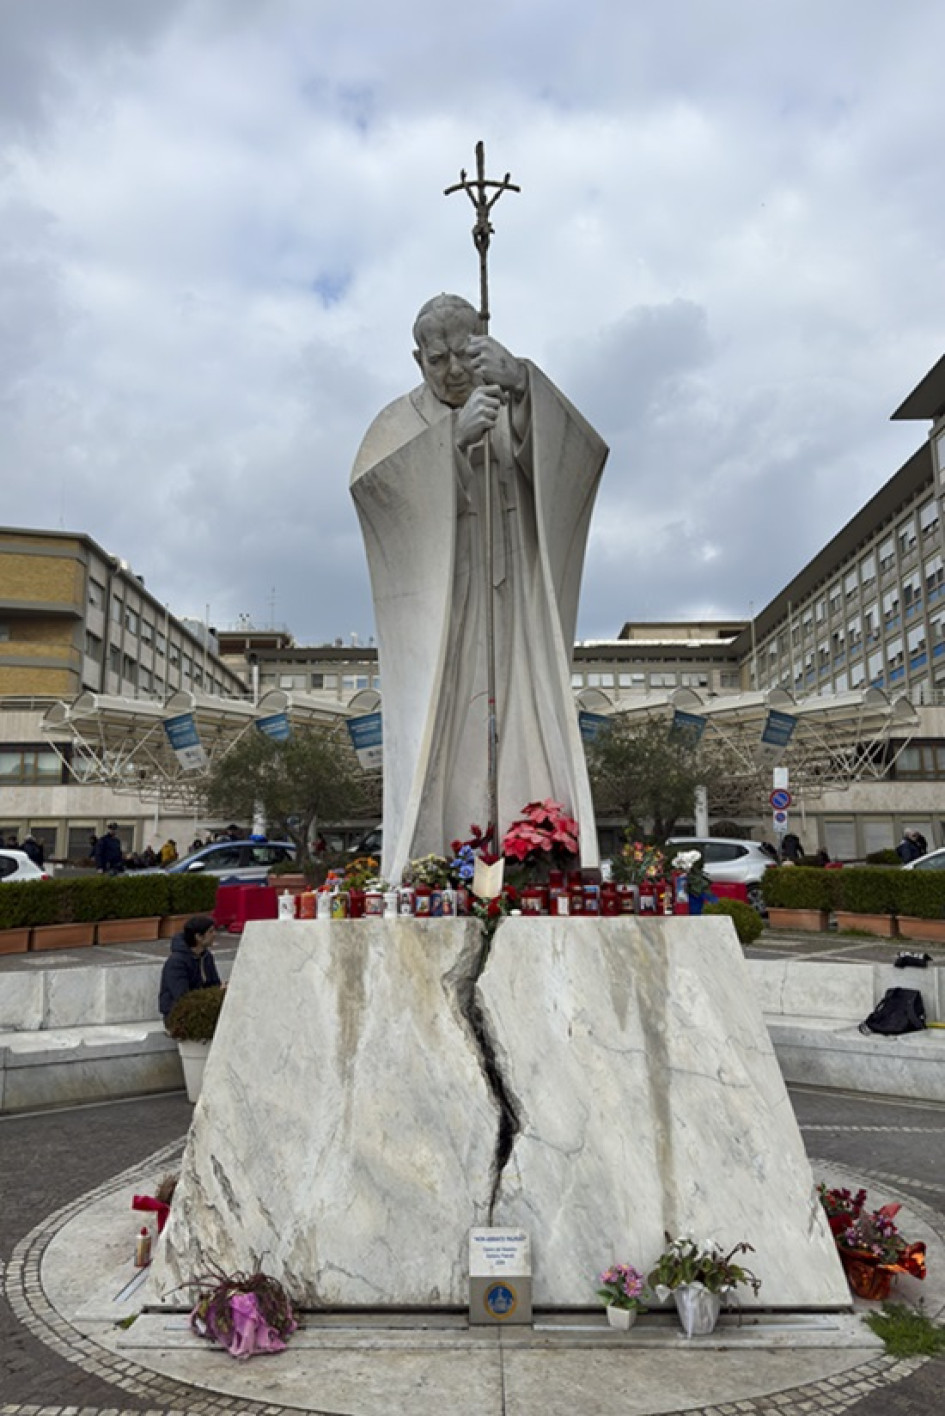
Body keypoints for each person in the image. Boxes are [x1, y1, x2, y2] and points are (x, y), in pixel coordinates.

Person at [350, 293, 608, 885]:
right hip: (442, 601)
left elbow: (580, 459)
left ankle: (538, 850)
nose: (455, 371)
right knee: (447, 718)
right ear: (418, 358)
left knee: (527, 703)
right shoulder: (396, 423)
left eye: (465, 354)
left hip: (514, 595)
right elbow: (376, 496)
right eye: (437, 359)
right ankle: (436, 860)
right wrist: (450, 445)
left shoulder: (509, 393)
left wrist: (523, 392)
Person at [159, 915, 223, 1022]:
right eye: (210, 932)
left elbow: (214, 984)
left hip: (202, 1008)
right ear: (198, 937)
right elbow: (182, 996)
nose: (214, 935)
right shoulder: (176, 962)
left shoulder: (207, 957)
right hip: (179, 1015)